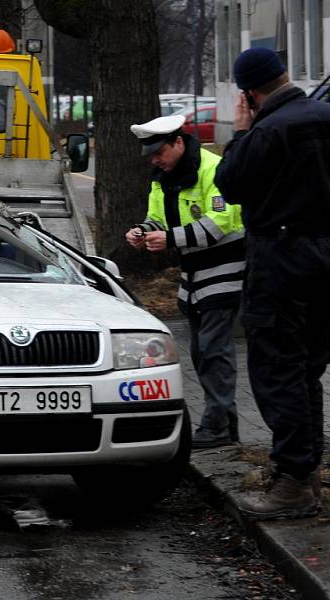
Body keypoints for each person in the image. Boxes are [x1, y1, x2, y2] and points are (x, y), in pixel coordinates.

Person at [215, 47, 330, 520]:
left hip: (279, 261)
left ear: (249, 94)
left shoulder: (266, 130)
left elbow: (232, 184)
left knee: (277, 370)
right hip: (325, 258)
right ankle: (305, 473)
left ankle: (293, 483)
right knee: (307, 370)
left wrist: (241, 132)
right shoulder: (324, 115)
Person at [125, 114, 246, 449]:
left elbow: (220, 222)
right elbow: (156, 217)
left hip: (225, 267)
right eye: (150, 154)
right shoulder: (161, 176)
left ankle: (218, 426)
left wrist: (170, 239)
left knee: (213, 349)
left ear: (178, 142)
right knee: (199, 351)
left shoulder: (213, 168)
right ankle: (224, 423)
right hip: (193, 271)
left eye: (159, 152)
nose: (154, 159)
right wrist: (143, 232)